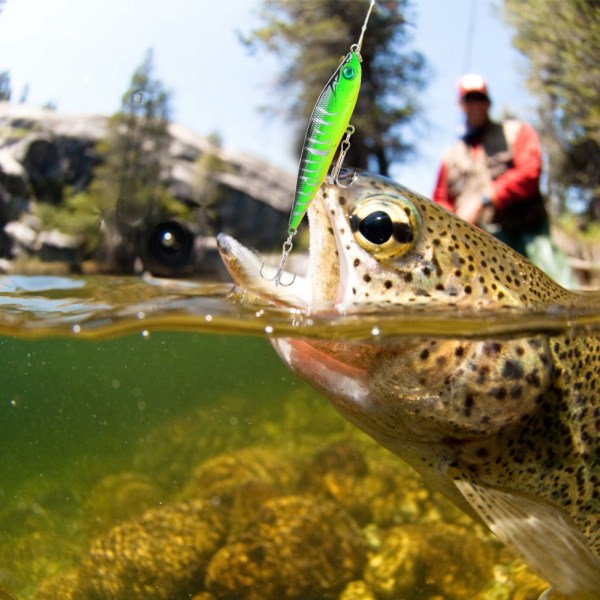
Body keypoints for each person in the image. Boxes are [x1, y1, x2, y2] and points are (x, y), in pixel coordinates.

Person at [432, 73, 576, 288]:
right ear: (461, 105)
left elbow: (530, 173)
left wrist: (485, 198)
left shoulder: (517, 132)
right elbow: (440, 201)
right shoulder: (450, 157)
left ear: (488, 102)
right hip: (479, 252)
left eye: (479, 98)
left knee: (562, 296)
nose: (475, 105)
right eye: (469, 99)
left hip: (529, 238)